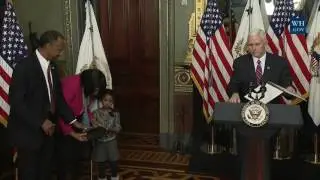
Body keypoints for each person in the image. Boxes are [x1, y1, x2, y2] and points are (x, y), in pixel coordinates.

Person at [7, 30, 86, 180]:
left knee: (45, 173)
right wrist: (40, 122)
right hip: (28, 134)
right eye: (59, 49)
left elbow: (58, 99)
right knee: (30, 175)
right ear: (47, 45)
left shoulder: (53, 68)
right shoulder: (24, 67)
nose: (60, 54)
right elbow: (16, 102)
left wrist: (73, 121)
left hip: (48, 134)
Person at [227, 28, 294, 180]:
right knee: (247, 154)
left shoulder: (279, 62)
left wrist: (289, 89)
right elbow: (232, 85)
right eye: (250, 45)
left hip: (271, 118)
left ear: (265, 43)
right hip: (246, 118)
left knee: (265, 154)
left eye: (257, 44)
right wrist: (235, 93)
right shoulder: (240, 62)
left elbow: (287, 87)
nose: (253, 48)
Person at [56, 68, 107, 180]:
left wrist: (91, 120)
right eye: (97, 89)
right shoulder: (72, 85)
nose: (97, 92)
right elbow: (61, 112)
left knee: (75, 157)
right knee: (66, 160)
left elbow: (85, 106)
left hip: (75, 121)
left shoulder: (86, 87)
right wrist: (72, 133)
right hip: (62, 124)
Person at [91, 89, 121, 180]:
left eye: (110, 100)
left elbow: (118, 127)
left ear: (112, 102)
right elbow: (92, 127)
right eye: (105, 100)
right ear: (101, 101)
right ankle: (102, 177)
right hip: (100, 141)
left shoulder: (115, 113)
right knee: (101, 164)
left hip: (111, 141)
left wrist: (112, 129)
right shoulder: (95, 113)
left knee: (114, 162)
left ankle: (114, 177)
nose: (107, 103)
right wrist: (95, 126)